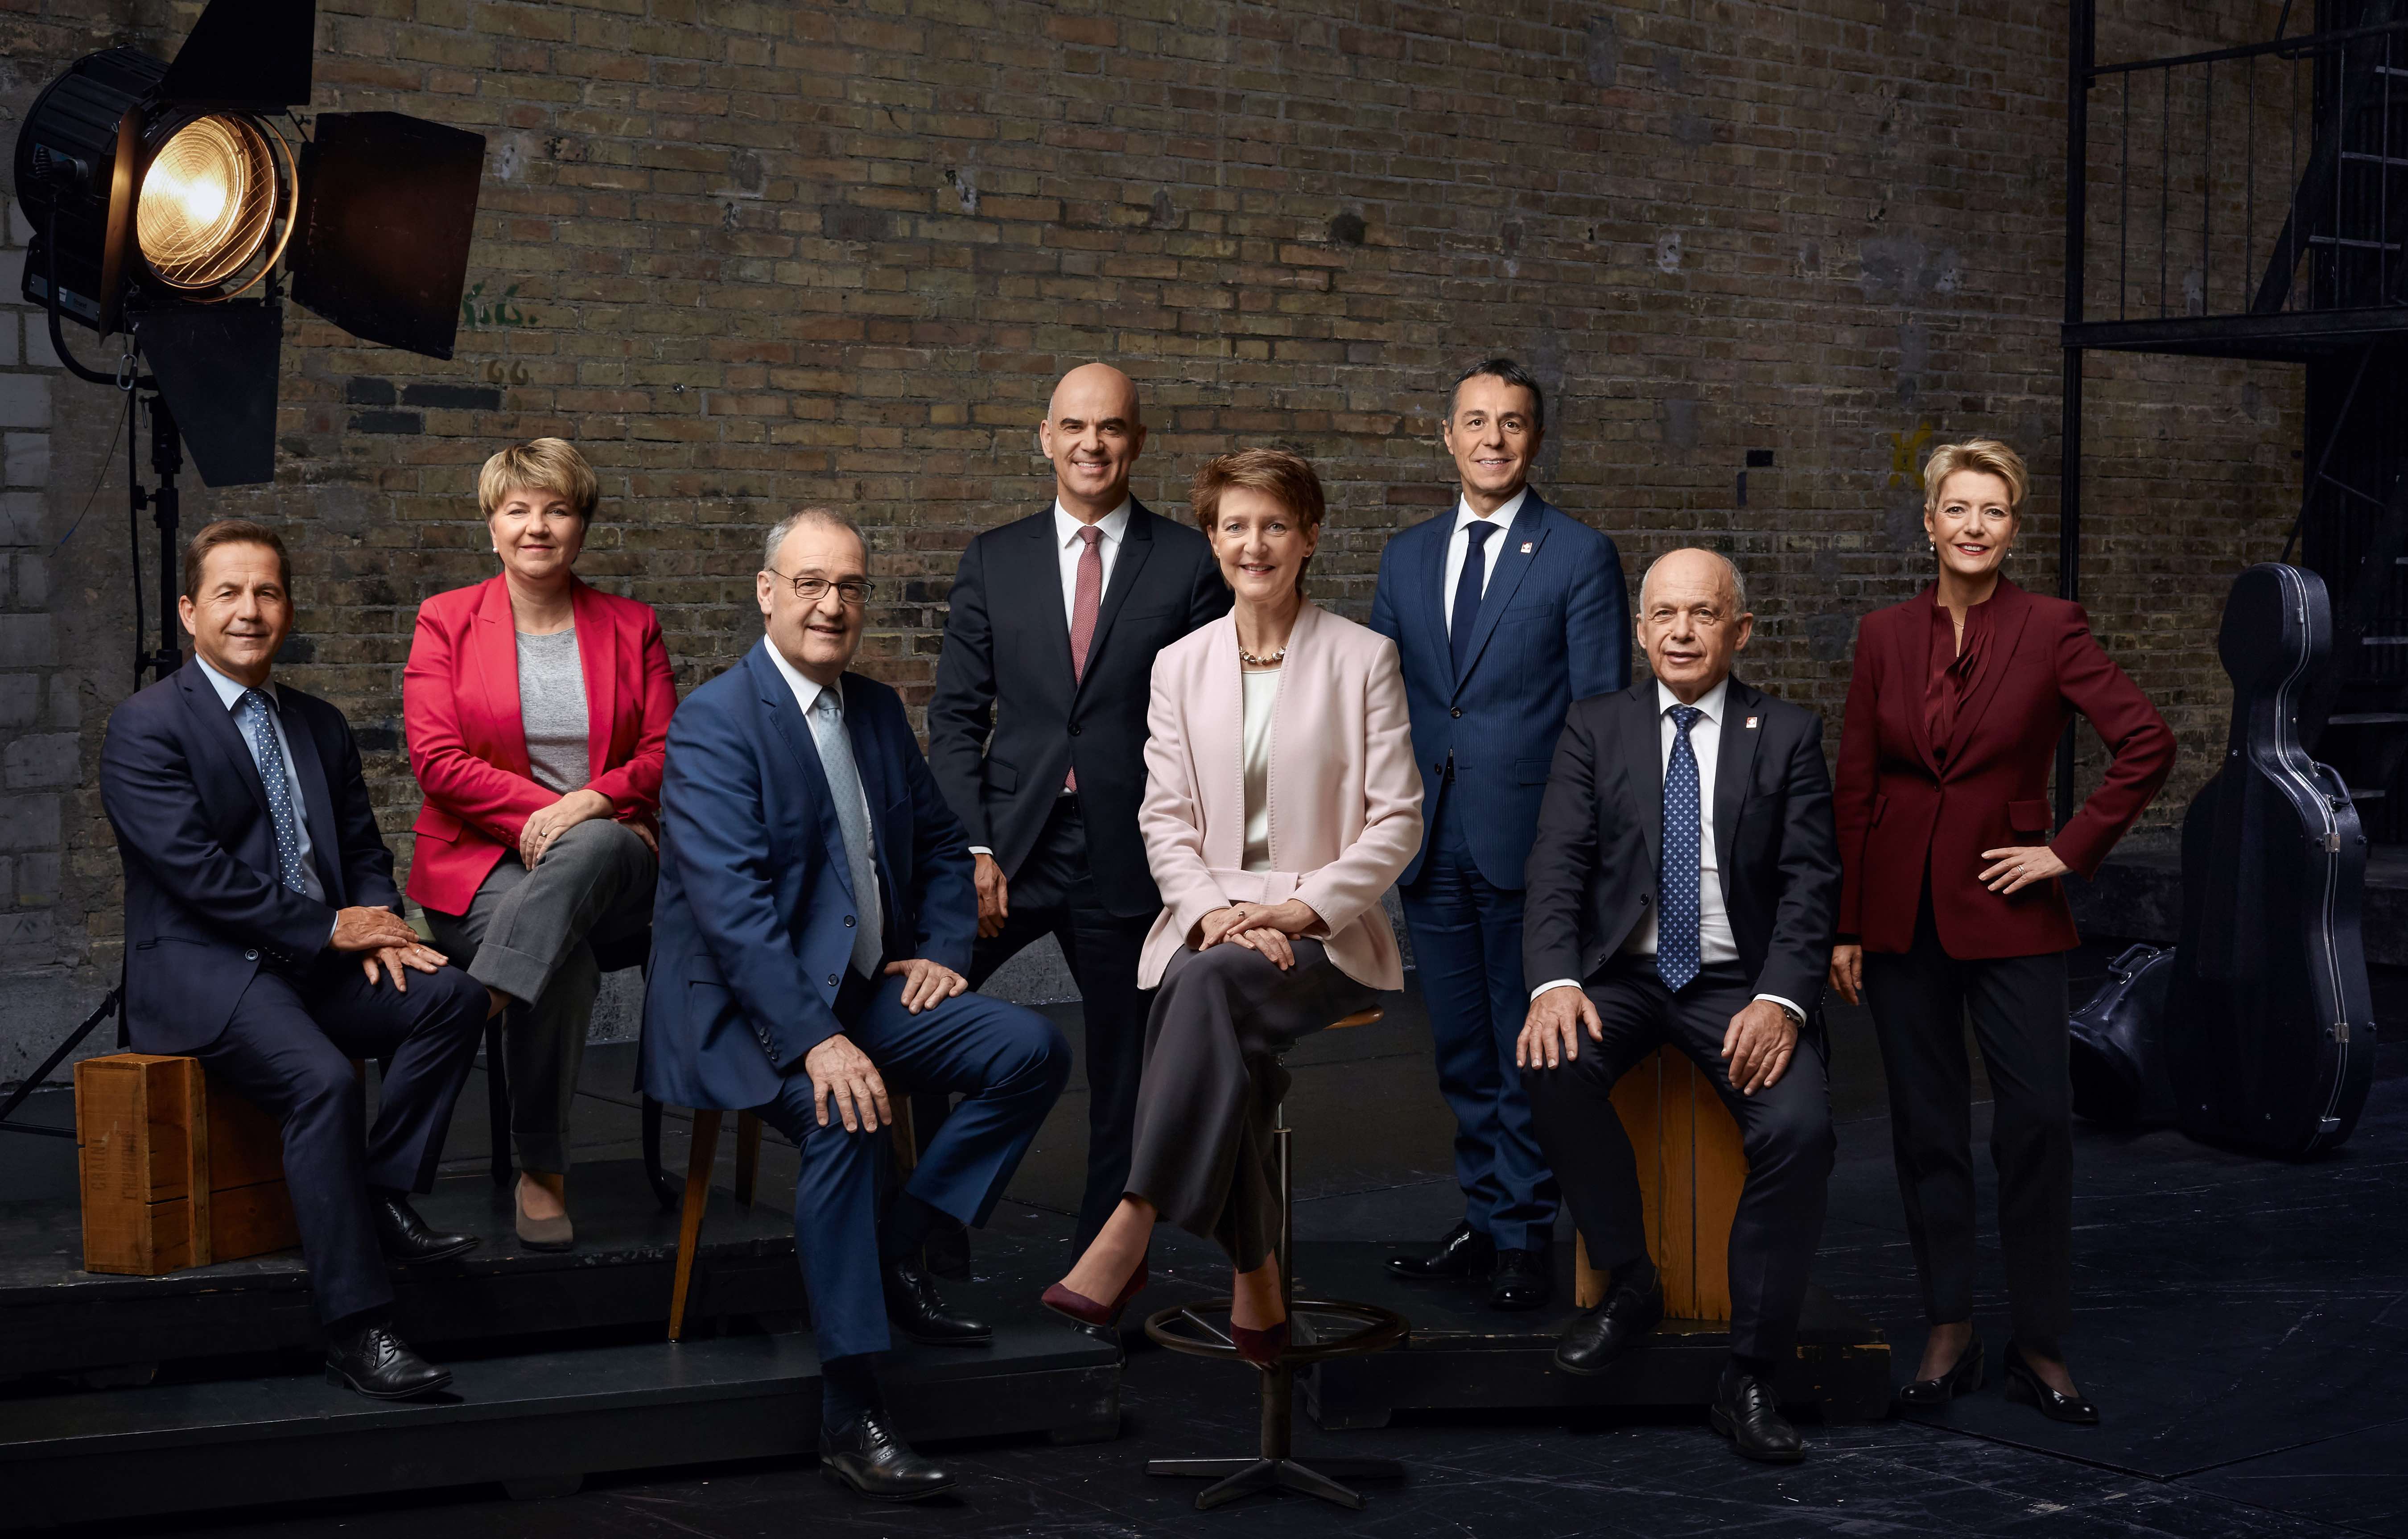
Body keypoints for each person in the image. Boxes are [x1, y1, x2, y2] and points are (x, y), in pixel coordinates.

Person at [641, 507, 1071, 1501]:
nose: (833, 606)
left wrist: (945, 955)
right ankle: (851, 1405)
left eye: (850, 588)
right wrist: (819, 1040)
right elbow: (735, 914)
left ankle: (899, 1246)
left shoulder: (873, 708)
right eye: (810, 584)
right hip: (745, 1013)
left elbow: (939, 842)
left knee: (1031, 1050)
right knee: (846, 1118)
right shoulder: (713, 723)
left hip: (867, 987)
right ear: (766, 592)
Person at [1041, 449, 1423, 1364]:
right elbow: (1162, 815)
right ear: (1213, 539)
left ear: (1310, 538)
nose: (1256, 544)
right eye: (1236, 526)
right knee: (1220, 1008)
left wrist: (1297, 914)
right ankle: (1257, 1279)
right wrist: (1215, 916)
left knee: (1202, 992)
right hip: (1210, 930)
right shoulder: (1179, 665)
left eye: (1276, 525)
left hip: (1323, 939)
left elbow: (1399, 819)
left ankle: (1131, 1222)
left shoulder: (1363, 658)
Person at [99, 520, 488, 1402]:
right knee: (324, 1081)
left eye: (268, 592)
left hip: (317, 963)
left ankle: (382, 1191)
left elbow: (360, 846)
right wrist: (330, 930)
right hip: (211, 968)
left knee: (453, 997)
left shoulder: (317, 722)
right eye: (230, 593)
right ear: (191, 610)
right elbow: (196, 873)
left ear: (288, 608)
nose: (250, 610)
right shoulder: (146, 725)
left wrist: (383, 919)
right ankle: (357, 1329)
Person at [1830, 439, 2174, 1427]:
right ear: (1929, 523)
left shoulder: (2051, 627)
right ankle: (1949, 1326)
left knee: (2034, 1127)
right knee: (1925, 1128)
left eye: (1996, 511)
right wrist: (1850, 924)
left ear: (2011, 528)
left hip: (2013, 911)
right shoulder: (1884, 634)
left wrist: (2067, 850)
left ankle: (2038, 1341)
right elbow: (1858, 783)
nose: (1976, 526)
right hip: (1899, 917)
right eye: (1959, 508)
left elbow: (2146, 741)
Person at [1517, 548, 1841, 1464]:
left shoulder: (1786, 732)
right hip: (1621, 974)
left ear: (1739, 632)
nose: (1683, 631)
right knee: (1549, 1059)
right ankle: (1628, 1278)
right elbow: (1556, 868)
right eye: (1665, 614)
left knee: (1801, 1127)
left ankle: (1750, 1371)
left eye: (1704, 615)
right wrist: (1554, 981)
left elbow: (1812, 881)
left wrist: (1782, 999)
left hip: (1738, 981)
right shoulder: (1595, 727)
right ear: (1641, 630)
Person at [924, 362, 1229, 1274]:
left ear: (1137, 441)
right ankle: (928, 1240)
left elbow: (1211, 723)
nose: (1093, 444)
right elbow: (953, 718)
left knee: (1125, 1075)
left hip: (1131, 852)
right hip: (1008, 851)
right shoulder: (994, 556)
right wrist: (972, 845)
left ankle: (1102, 1273)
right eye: (1074, 427)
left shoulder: (1185, 562)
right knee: (920, 1014)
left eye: (1113, 428)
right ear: (1045, 438)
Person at [1368, 358, 1629, 1311]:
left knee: (1532, 1047)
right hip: (1429, 841)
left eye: (1511, 423)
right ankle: (1485, 1216)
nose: (1492, 439)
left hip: (1532, 842)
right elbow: (1382, 706)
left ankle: (1526, 1232)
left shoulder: (1578, 554)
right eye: (1475, 421)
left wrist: (1579, 850)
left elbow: (1600, 719)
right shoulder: (1405, 557)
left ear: (1535, 438)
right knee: (1463, 1048)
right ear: (1448, 436)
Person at [404, 439, 676, 1251]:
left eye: (556, 509)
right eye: (518, 510)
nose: (537, 527)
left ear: (581, 525)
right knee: (566, 961)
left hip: (616, 856)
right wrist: (543, 815)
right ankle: (543, 1172)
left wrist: (593, 802)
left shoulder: (633, 626)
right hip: (480, 868)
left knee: (594, 849)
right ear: (492, 526)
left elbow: (666, 754)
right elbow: (436, 760)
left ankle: (473, 1004)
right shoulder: (446, 621)